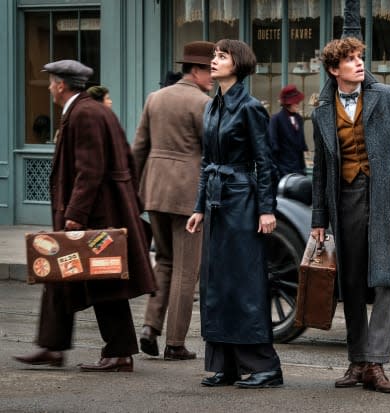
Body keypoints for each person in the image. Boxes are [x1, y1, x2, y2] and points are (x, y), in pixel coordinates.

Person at [13, 59, 156, 372]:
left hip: (95, 214)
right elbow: (128, 160)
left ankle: (119, 353)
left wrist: (75, 214)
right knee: (60, 276)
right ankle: (52, 346)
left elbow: (89, 169)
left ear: (61, 85)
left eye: (51, 82)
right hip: (101, 210)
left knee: (103, 283)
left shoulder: (85, 113)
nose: (50, 87)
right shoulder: (92, 110)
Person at [310, 37, 390, 393]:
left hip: (385, 198)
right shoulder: (322, 109)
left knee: (386, 282)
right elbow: (320, 168)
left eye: (360, 57)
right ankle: (358, 361)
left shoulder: (388, 95)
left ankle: (377, 363)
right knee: (350, 283)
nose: (359, 64)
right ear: (334, 70)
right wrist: (318, 219)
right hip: (343, 199)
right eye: (350, 60)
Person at [186, 39, 283, 389]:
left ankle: (265, 367)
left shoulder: (251, 107)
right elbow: (207, 162)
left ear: (238, 63)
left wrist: (267, 209)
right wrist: (198, 207)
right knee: (217, 284)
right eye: (214, 56)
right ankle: (225, 365)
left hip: (242, 200)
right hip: (216, 201)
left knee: (243, 284)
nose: (214, 61)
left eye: (221, 56)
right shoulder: (212, 108)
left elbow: (265, 162)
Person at [132, 41, 216, 361]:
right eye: (209, 70)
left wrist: (135, 195)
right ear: (196, 70)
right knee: (186, 269)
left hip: (154, 191)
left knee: (164, 261)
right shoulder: (203, 104)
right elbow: (211, 153)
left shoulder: (155, 98)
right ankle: (175, 342)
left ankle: (150, 327)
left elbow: (139, 148)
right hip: (187, 195)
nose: (212, 76)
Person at [268, 84, 308, 178]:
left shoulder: (299, 118)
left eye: (298, 101)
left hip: (299, 170)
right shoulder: (276, 119)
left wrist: (303, 170)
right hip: (283, 171)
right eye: (295, 102)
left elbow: (301, 146)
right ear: (288, 104)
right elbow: (273, 148)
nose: (298, 104)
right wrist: (277, 172)